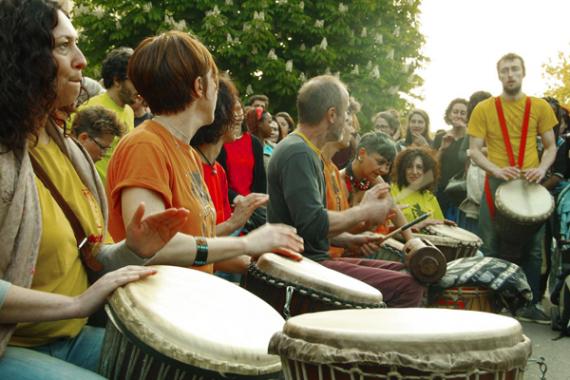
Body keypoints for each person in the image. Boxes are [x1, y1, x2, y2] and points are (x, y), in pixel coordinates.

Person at [0, 1, 191, 378]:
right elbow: (80, 297)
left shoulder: (66, 148)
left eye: (78, 44)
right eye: (63, 46)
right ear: (23, 57)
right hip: (15, 344)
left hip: (69, 334)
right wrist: (76, 304)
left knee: (175, 368)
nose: (82, 60)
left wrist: (133, 250)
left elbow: (87, 255)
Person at [106, 31, 303, 274]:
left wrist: (257, 262)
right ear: (199, 87)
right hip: (161, 305)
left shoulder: (187, 153)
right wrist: (246, 242)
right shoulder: (145, 145)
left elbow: (197, 250)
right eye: (216, 83)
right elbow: (153, 247)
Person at [267, 75, 424, 308]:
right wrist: (365, 211)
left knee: (410, 271)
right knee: (408, 285)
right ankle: (370, 344)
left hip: (312, 259)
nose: (349, 120)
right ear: (332, 115)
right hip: (303, 264)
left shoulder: (305, 151)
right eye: (346, 113)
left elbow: (305, 227)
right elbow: (313, 224)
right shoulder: (298, 153)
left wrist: (350, 240)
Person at [468, 52, 558, 323]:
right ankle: (490, 302)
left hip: (530, 183)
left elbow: (551, 146)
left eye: (514, 69)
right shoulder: (484, 109)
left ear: (523, 72)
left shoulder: (540, 106)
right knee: (490, 244)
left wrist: (541, 169)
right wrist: (495, 169)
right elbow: (474, 150)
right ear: (499, 75)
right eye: (505, 70)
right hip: (496, 182)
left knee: (531, 249)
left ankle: (527, 304)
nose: (510, 74)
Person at [190, 75, 268, 274]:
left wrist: (261, 262)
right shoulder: (189, 165)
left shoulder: (218, 171)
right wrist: (236, 224)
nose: (240, 115)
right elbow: (189, 246)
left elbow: (214, 243)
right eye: (234, 108)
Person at [76, 47, 138, 184]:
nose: (139, 85)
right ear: (117, 80)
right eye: (134, 79)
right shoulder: (89, 109)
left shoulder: (129, 111)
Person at [390, 147, 444, 229]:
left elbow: (440, 225)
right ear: (402, 170)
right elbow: (387, 227)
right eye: (409, 167)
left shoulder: (430, 197)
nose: (414, 172)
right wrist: (422, 224)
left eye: (419, 167)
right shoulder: (391, 192)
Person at [433, 98, 469, 222]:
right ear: (449, 114)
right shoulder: (440, 137)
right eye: (455, 112)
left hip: (462, 192)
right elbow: (432, 166)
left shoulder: (472, 138)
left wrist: (467, 133)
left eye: (462, 113)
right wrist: (442, 148)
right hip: (441, 190)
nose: (458, 116)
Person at [341, 132, 397, 206]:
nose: (383, 170)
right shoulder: (338, 181)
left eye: (388, 165)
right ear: (362, 153)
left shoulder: (375, 179)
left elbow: (394, 211)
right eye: (380, 162)